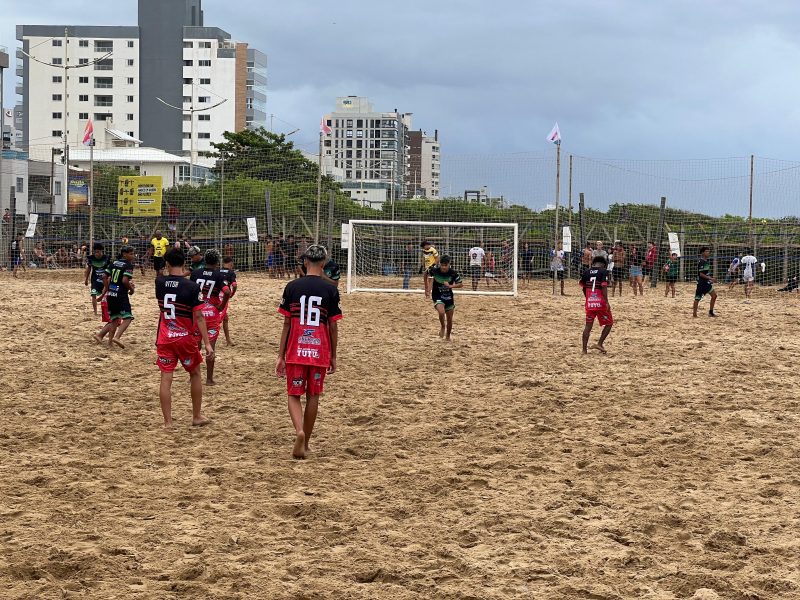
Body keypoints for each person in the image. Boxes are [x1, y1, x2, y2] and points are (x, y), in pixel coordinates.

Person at [276, 244, 342, 459]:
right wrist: (333, 355)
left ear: (305, 262)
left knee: (294, 394)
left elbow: (287, 323)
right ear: (323, 263)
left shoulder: (292, 286)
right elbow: (333, 325)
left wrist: (280, 355)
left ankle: (299, 432)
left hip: (296, 348)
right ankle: (307, 442)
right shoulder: (330, 289)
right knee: (314, 394)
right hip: (318, 349)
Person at [155, 247, 214, 428]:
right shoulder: (191, 286)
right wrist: (207, 343)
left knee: (166, 378)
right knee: (195, 373)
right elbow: (199, 317)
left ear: (167, 263)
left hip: (165, 337)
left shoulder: (159, 282)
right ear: (185, 263)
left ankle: (168, 422)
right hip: (184, 338)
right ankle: (196, 416)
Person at [190, 249, 231, 385]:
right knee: (210, 346)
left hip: (197, 312)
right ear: (217, 261)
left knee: (195, 347)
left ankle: (193, 377)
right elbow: (227, 291)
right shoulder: (218, 276)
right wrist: (221, 306)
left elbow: (190, 291)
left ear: (205, 260)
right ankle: (209, 379)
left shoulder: (195, 273)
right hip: (211, 314)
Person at [95, 245, 136, 347]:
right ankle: (117, 337)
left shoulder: (113, 263)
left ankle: (107, 342)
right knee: (128, 318)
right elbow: (124, 280)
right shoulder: (128, 265)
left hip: (111, 294)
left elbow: (104, 276)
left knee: (114, 319)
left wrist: (107, 288)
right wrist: (131, 289)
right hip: (121, 295)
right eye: (131, 254)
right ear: (124, 254)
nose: (133, 256)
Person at [580, 254, 613, 354]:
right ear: (603, 265)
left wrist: (588, 298)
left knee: (588, 326)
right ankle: (599, 343)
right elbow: (603, 286)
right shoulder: (604, 271)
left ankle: (584, 350)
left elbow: (584, 287)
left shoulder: (586, 272)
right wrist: (607, 301)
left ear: (593, 263)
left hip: (590, 303)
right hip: (601, 303)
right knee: (609, 323)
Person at [428, 254, 464, 340]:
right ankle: (442, 326)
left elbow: (461, 284)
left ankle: (448, 336)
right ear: (440, 264)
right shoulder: (434, 271)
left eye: (445, 265)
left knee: (450, 319)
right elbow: (426, 274)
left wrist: (450, 286)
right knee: (441, 312)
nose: (443, 267)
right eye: (442, 265)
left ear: (449, 264)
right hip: (437, 295)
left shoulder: (453, 273)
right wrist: (427, 289)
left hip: (448, 297)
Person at [84, 242, 111, 316]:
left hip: (104, 281)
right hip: (94, 280)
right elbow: (88, 269)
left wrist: (109, 279)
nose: (96, 253)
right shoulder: (91, 258)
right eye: (95, 252)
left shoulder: (107, 258)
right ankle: (95, 312)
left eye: (98, 252)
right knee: (93, 295)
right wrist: (86, 279)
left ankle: (108, 311)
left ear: (102, 251)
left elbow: (110, 270)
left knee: (107, 296)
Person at [692, 246, 717, 318]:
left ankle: (711, 312)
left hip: (707, 283)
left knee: (714, 296)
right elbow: (701, 274)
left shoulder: (706, 261)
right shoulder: (702, 262)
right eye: (706, 251)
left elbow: (705, 273)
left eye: (708, 251)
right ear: (702, 253)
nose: (708, 253)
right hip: (702, 283)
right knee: (697, 298)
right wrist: (711, 278)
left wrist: (710, 279)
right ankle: (694, 314)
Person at [219, 256, 239, 346]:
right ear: (231, 263)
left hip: (214, 296)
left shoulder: (217, 271)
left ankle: (228, 341)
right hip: (223, 297)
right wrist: (232, 294)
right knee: (218, 319)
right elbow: (234, 285)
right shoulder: (231, 273)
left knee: (225, 318)